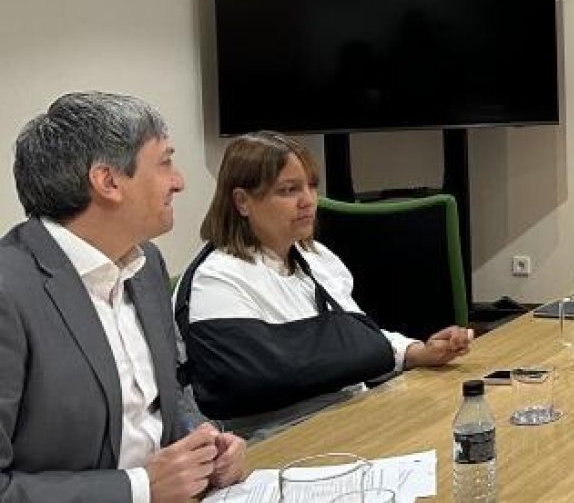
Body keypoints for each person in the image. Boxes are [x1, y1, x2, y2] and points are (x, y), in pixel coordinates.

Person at [0, 91, 246, 503]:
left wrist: (205, 444)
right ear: (108, 181)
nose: (179, 182)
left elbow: (166, 397)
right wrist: (140, 488)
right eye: (164, 162)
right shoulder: (9, 292)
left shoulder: (145, 263)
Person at [176, 131, 472, 438]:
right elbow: (252, 380)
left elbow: (355, 336)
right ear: (242, 201)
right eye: (288, 190)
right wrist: (361, 356)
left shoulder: (316, 258)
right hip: (279, 438)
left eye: (311, 186)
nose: (308, 201)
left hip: (350, 416)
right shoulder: (216, 280)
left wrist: (415, 351)